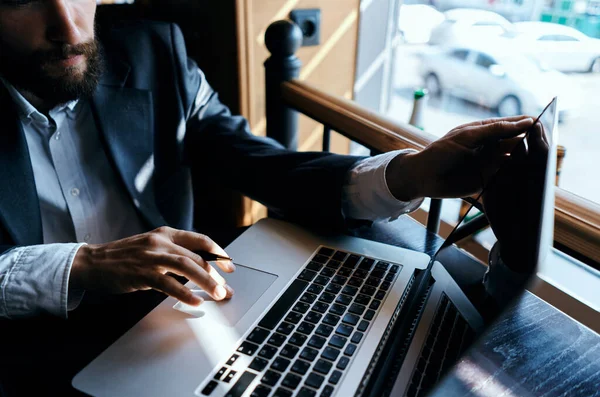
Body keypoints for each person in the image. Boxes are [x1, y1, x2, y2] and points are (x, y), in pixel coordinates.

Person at [0, 0, 539, 320]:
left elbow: (259, 164)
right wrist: (82, 266)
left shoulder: (153, 49)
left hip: (173, 319)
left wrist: (408, 174)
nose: (70, 28)